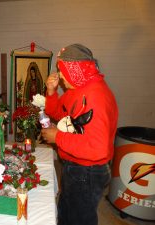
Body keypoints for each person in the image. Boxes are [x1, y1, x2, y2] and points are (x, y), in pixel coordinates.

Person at [41, 44, 118, 225]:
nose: (59, 76)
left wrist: (57, 137)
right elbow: (59, 112)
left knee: (80, 218)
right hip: (74, 165)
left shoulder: (96, 97)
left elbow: (97, 148)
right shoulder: (78, 88)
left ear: (75, 70)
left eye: (62, 70)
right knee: (66, 209)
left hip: (87, 171)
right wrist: (51, 92)